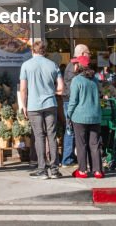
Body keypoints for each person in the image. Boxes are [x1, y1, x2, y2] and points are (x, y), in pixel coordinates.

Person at [19, 40, 64, 180]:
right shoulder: (53, 65)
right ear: (44, 51)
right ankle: (55, 170)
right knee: (52, 135)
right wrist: (51, 91)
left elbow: (23, 88)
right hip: (50, 103)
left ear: (33, 51)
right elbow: (61, 89)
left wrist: (24, 105)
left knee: (39, 136)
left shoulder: (26, 65)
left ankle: (42, 170)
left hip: (33, 105)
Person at [66, 54, 104, 179]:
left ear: (79, 66)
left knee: (81, 144)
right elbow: (100, 95)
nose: (74, 66)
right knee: (95, 144)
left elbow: (73, 101)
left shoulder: (76, 80)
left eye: (75, 64)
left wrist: (69, 114)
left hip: (79, 117)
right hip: (95, 116)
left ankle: (82, 171)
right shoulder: (95, 80)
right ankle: (98, 171)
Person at [60, 44, 90, 167]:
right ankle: (67, 159)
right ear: (82, 53)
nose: (89, 55)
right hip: (71, 102)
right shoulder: (74, 66)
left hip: (71, 100)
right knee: (70, 129)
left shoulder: (74, 65)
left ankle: (70, 158)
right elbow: (75, 87)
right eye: (88, 53)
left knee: (71, 129)